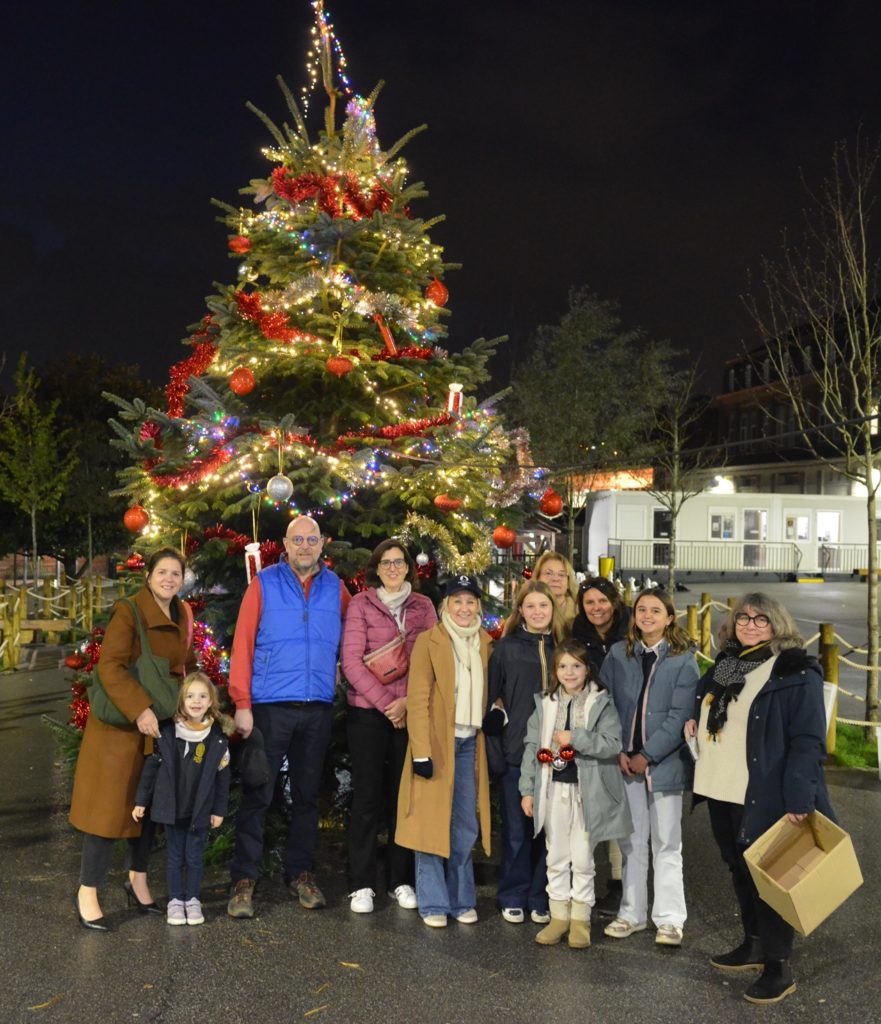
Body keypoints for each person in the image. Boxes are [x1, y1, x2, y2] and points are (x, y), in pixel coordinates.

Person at [686, 593, 835, 1005]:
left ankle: (778, 966)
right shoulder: (727, 664)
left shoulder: (793, 671)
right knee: (738, 869)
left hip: (763, 792)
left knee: (770, 879)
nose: (750, 625)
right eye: (743, 618)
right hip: (720, 786)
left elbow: (808, 740)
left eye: (760, 619)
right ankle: (754, 944)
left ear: (777, 624)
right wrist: (694, 719)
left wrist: (800, 797)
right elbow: (707, 704)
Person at [226, 516, 350, 918]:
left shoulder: (336, 588)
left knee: (307, 796)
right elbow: (243, 643)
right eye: (297, 540)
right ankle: (244, 878)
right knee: (258, 793)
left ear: (322, 544)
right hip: (269, 706)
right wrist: (242, 702)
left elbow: (354, 637)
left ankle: (301, 872)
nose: (304, 546)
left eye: (311, 540)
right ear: (285, 543)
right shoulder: (264, 584)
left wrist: (342, 671)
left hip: (317, 707)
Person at [69, 547, 195, 931]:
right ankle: (87, 891)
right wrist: (140, 709)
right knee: (107, 812)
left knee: (150, 809)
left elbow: (183, 666)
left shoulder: (182, 613)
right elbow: (110, 666)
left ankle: (137, 879)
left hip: (159, 727)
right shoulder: (129, 611)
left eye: (176, 573)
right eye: (162, 572)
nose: (169, 579)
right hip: (122, 729)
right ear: (149, 575)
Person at [340, 539, 437, 914]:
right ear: (376, 569)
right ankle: (361, 884)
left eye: (399, 562)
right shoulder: (361, 604)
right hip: (367, 714)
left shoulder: (424, 606)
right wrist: (387, 705)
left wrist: (408, 704)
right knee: (366, 798)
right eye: (386, 563)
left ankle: (401, 880)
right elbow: (351, 663)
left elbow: (432, 661)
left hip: (410, 714)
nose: (393, 568)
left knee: (404, 800)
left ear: (409, 567)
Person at [600, 588, 698, 947]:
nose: (647, 616)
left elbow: (680, 716)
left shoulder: (683, 660)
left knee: (667, 843)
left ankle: (670, 919)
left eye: (656, 610)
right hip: (626, 763)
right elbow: (605, 704)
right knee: (631, 842)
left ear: (669, 618)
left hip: (664, 765)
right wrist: (619, 750)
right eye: (642, 609)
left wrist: (647, 754)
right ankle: (632, 913)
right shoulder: (619, 654)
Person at [519, 640, 632, 948]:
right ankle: (559, 916)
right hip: (552, 788)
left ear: (587, 669)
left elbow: (612, 744)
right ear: (555, 671)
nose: (569, 672)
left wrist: (575, 738)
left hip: (587, 791)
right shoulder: (545, 702)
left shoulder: (601, 702)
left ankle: (581, 918)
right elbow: (532, 747)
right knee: (556, 854)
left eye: (576, 666)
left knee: (582, 857)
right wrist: (527, 790)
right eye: (563, 666)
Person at [395, 575, 493, 927]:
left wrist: (497, 709)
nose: (464, 608)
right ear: (445, 606)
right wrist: (421, 751)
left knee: (464, 824)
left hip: (470, 744)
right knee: (429, 824)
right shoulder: (430, 641)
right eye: (457, 601)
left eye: (470, 601)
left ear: (478, 606)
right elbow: (418, 698)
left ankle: (462, 900)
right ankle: (434, 902)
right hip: (437, 743)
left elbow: (492, 690)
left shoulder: (485, 643)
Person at [486, 579, 566, 925]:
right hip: (517, 754)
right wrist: (497, 753)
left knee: (550, 832)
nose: (537, 612)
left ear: (553, 608)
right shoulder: (505, 650)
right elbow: (492, 703)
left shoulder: (564, 649)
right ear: (520, 611)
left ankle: (540, 895)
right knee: (517, 831)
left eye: (543, 605)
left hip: (557, 755)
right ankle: (512, 894)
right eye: (530, 606)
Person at [133, 671, 231, 925]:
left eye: (202, 696)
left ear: (211, 701)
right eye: (190, 696)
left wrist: (219, 810)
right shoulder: (167, 733)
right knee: (175, 857)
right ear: (181, 701)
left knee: (195, 857)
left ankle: (193, 899)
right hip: (173, 808)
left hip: (200, 809)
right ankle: (176, 900)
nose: (196, 701)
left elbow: (223, 779)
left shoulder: (217, 738)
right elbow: (150, 769)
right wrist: (141, 801)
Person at [571, 576, 632, 913]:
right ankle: (582, 882)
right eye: (590, 602)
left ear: (614, 602)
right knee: (591, 801)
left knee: (619, 806)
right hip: (591, 726)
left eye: (603, 601)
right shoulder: (577, 634)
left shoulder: (630, 631)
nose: (597, 608)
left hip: (626, 724)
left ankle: (620, 883)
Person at [532, 551, 579, 629]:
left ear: (568, 582)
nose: (555, 579)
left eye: (561, 575)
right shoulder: (525, 612)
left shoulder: (580, 613)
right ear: (537, 578)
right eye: (548, 573)